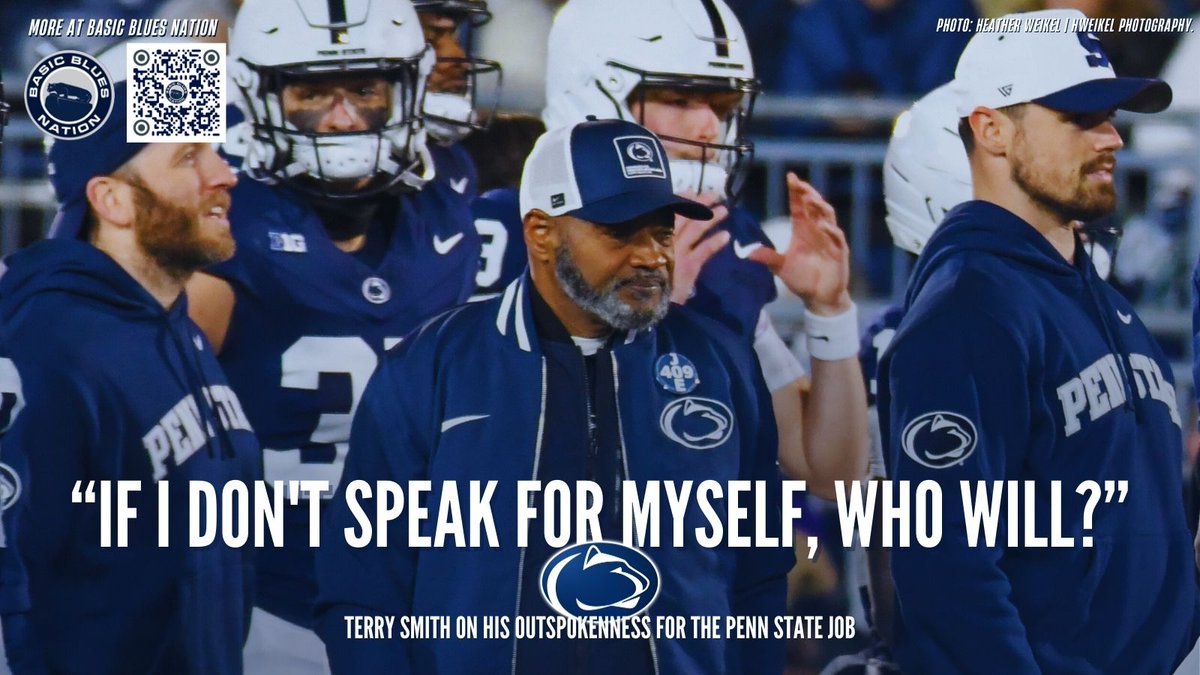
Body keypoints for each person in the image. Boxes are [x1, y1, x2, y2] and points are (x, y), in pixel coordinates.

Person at [315, 117, 795, 673]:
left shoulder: (723, 363)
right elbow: (363, 588)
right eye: (621, 231)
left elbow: (758, 576)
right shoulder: (431, 366)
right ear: (541, 233)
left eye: (661, 231)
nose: (651, 256)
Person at [878, 9, 1200, 673]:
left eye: (1110, 115)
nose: (1111, 138)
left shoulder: (1103, 302)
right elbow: (946, 571)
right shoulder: (968, 310)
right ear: (992, 129)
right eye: (1079, 118)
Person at [184, 0, 482, 671]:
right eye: (312, 91)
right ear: (259, 94)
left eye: (367, 89)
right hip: (271, 611)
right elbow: (116, 171)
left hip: (423, 596)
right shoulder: (213, 211)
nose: (343, 117)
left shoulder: (450, 187)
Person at [471, 0, 868, 498]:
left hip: (699, 564)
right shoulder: (514, 233)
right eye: (680, 100)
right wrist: (656, 303)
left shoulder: (723, 242)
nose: (708, 129)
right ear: (595, 94)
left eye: (721, 107)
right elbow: (524, 452)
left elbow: (829, 475)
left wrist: (830, 311)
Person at [0, 81, 258, 673]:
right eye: (189, 155)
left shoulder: (176, 326)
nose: (224, 175)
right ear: (112, 199)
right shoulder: (45, 344)